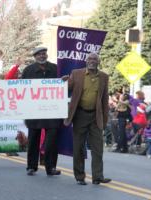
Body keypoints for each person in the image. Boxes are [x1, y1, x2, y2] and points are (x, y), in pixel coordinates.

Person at [63, 52, 111, 185]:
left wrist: (105, 119)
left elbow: (105, 100)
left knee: (98, 148)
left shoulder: (104, 77)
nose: (92, 61)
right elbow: (67, 88)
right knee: (78, 147)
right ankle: (79, 176)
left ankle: (98, 177)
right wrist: (64, 82)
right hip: (80, 115)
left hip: (96, 116)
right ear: (86, 61)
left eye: (95, 59)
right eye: (90, 58)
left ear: (98, 62)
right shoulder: (77, 73)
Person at [21, 47, 61, 176]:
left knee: (52, 142)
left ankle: (51, 167)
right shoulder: (28, 70)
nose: (42, 56)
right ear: (35, 56)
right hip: (34, 112)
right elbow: (22, 90)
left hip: (52, 111)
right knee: (33, 140)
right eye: (39, 54)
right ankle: (31, 166)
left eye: (44, 54)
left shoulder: (56, 68)